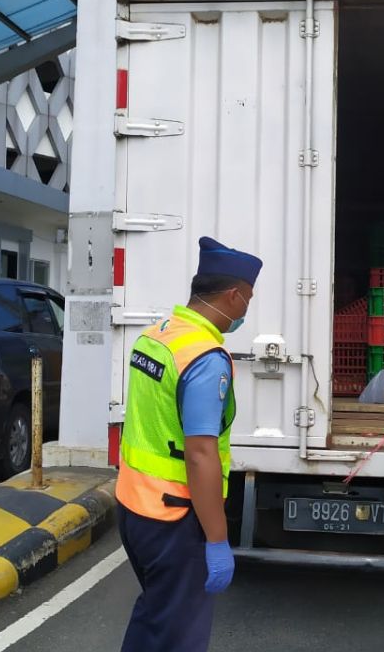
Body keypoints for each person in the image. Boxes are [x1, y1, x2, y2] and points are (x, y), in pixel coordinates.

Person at [116, 236, 262, 652]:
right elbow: (200, 454)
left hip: (134, 508)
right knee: (180, 636)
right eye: (248, 299)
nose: (246, 309)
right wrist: (216, 540)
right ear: (233, 296)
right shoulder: (205, 356)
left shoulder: (156, 335)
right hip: (174, 519)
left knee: (154, 619)